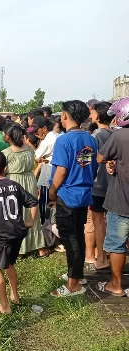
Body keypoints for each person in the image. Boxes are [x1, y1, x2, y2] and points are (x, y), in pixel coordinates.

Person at [49, 100, 98, 297]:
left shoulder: (64, 140)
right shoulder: (90, 138)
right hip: (84, 194)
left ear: (65, 116)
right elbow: (92, 167)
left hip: (67, 195)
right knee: (78, 235)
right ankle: (78, 275)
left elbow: (61, 170)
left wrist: (52, 190)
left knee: (70, 240)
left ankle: (73, 285)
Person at [0, 151, 39, 314]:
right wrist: (30, 221)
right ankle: (15, 295)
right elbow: (33, 202)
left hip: (0, 235)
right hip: (18, 232)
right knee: (10, 264)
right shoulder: (14, 185)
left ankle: (4, 306)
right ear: (5, 168)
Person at [97, 97, 129, 297]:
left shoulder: (120, 137)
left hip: (121, 200)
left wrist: (112, 161)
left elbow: (101, 157)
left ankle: (116, 284)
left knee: (117, 245)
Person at [1, 123, 46, 256]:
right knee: (32, 213)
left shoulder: (6, 153)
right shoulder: (29, 150)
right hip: (30, 180)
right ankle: (39, 247)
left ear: (9, 137)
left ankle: (19, 248)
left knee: (15, 213)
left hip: (13, 182)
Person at [84, 102, 113, 270]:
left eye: (93, 112)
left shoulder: (95, 136)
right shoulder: (114, 133)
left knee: (97, 221)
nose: (91, 115)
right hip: (113, 184)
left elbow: (85, 160)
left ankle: (100, 257)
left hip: (98, 184)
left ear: (98, 116)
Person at [29, 116, 60, 228]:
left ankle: (47, 229)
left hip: (49, 173)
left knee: (46, 203)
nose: (36, 133)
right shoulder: (57, 136)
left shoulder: (48, 141)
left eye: (37, 130)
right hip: (54, 173)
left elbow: (36, 156)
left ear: (45, 128)